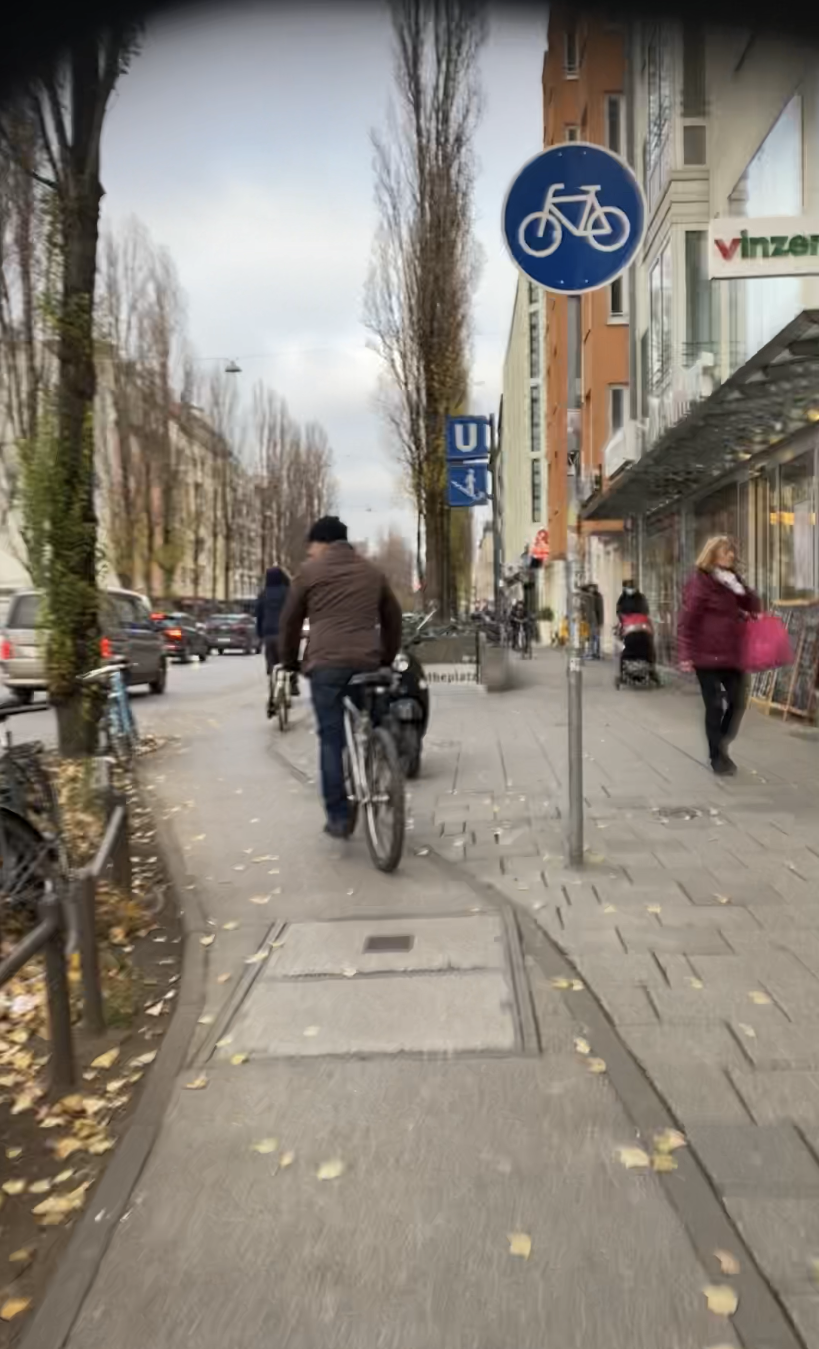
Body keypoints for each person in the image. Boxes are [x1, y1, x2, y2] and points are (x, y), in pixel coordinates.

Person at [279, 515, 403, 838]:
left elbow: (290, 622)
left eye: (311, 549)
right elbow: (393, 618)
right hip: (367, 663)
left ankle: (338, 817)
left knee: (331, 740)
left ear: (321, 544)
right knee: (374, 719)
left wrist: (289, 662)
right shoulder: (372, 572)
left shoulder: (309, 573)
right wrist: (385, 659)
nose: (310, 555)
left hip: (327, 667)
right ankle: (382, 759)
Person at [677, 535, 760, 776]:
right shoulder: (700, 582)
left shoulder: (733, 581)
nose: (731, 556)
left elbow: (754, 606)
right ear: (712, 555)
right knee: (714, 706)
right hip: (706, 656)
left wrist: (741, 588)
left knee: (737, 702)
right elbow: (687, 620)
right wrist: (685, 653)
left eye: (732, 552)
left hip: (732, 654)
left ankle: (720, 743)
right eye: (726, 552)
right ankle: (717, 756)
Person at [255, 565, 297, 703]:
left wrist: (260, 634)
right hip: (286, 633)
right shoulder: (289, 592)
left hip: (269, 633)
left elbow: (259, 615)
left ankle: (272, 694)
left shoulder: (263, 594)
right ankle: (292, 683)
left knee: (272, 663)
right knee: (290, 660)